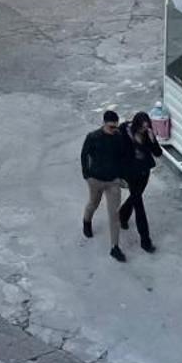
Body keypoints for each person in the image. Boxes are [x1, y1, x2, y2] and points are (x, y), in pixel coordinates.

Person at [78, 109, 131, 262]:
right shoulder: (93, 137)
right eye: (111, 127)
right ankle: (87, 221)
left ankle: (115, 247)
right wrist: (86, 175)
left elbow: (123, 158)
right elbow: (84, 155)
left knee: (114, 214)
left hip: (113, 181)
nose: (114, 130)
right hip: (95, 179)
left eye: (116, 127)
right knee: (93, 203)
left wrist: (122, 177)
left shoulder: (118, 138)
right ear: (104, 124)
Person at [117, 110, 163, 252]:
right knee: (139, 205)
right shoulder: (124, 131)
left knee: (135, 198)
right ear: (136, 124)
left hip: (143, 172)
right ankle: (145, 240)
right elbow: (117, 150)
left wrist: (152, 138)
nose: (144, 129)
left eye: (146, 127)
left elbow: (158, 153)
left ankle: (122, 215)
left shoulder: (147, 134)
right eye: (142, 127)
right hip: (130, 172)